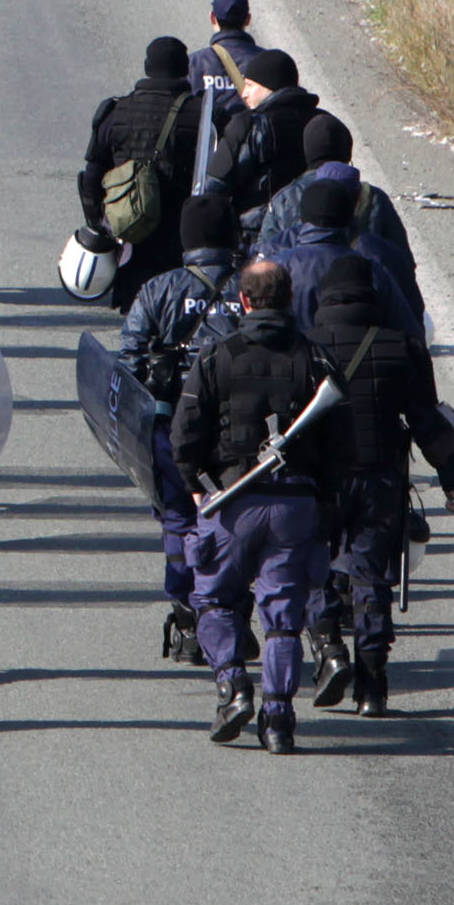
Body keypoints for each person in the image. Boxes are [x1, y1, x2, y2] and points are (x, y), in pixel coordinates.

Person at [172, 265, 347, 752]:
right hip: (296, 508)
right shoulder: (315, 358)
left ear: (244, 302)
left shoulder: (215, 357)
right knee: (284, 619)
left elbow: (183, 435)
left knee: (211, 599)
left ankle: (232, 687)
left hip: (232, 505)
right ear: (289, 299)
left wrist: (194, 488)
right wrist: (323, 498)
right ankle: (278, 721)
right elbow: (341, 441)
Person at [306, 255, 454, 713]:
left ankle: (328, 650)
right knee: (371, 579)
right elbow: (427, 421)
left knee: (313, 569)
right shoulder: (403, 347)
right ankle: (373, 686)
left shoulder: (306, 346)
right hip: (381, 479)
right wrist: (452, 481)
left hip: (320, 483)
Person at [110, 187, 243, 663]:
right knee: (239, 518)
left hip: (175, 432)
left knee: (179, 523)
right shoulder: (255, 285)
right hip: (244, 431)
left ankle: (189, 617)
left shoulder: (158, 288)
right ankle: (232, 610)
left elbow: (126, 366)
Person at [75, 37, 207, 311]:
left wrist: (100, 226)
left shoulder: (116, 111)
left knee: (135, 316)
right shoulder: (203, 114)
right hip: (181, 237)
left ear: (147, 67)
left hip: (131, 234)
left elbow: (91, 177)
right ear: (185, 70)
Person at [256, 167, 425, 336]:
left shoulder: (277, 260)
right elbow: (411, 326)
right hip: (361, 356)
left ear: (305, 210)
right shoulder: (376, 260)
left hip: (294, 358)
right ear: (355, 204)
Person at [204, 50, 323, 216]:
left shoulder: (249, 125)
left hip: (259, 233)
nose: (244, 93)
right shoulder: (324, 123)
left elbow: (213, 188)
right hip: (316, 229)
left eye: (250, 85)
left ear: (269, 86)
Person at [193, 0, 267, 130]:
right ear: (248, 19)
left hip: (208, 149)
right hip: (250, 147)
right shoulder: (267, 62)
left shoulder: (194, 63)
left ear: (212, 17)